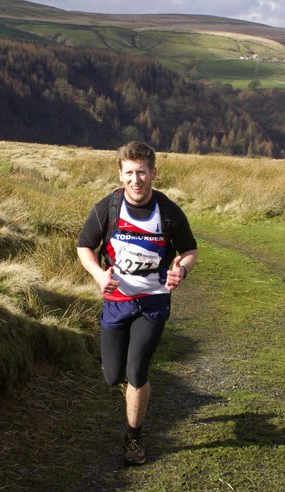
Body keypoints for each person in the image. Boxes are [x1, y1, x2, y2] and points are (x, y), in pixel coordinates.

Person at [77, 141, 198, 466]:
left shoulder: (169, 212)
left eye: (142, 172)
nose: (136, 179)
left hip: (153, 302)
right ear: (120, 174)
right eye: (129, 173)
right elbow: (85, 246)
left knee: (137, 370)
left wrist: (181, 270)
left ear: (154, 173)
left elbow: (190, 250)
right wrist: (99, 276)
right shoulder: (108, 209)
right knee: (112, 375)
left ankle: (134, 437)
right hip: (116, 302)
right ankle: (131, 386)